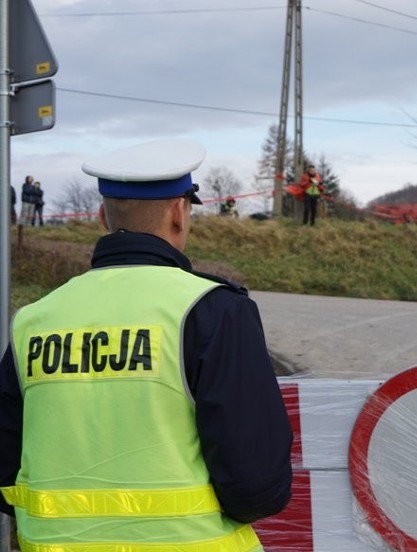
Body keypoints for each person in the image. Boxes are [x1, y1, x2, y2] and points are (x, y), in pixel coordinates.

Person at [0, 139, 293, 550]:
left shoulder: (33, 320)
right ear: (179, 211)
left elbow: (7, 469)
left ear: (103, 216)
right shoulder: (212, 309)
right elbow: (257, 485)